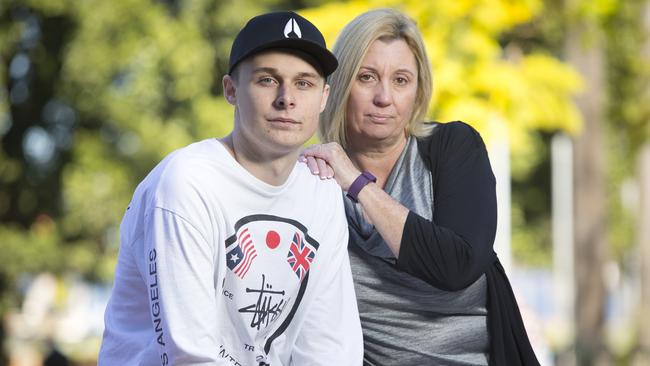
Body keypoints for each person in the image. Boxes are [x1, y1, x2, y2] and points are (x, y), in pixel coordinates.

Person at [98, 11, 362, 366]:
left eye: (304, 83)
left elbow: (330, 348)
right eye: (268, 80)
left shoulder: (322, 191)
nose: (287, 98)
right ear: (231, 90)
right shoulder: (187, 184)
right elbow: (188, 356)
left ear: (325, 97)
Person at [301, 8, 540, 366]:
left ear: (418, 90)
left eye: (401, 80)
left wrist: (356, 183)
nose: (385, 97)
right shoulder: (313, 180)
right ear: (336, 88)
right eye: (366, 77)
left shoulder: (453, 148)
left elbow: (457, 266)